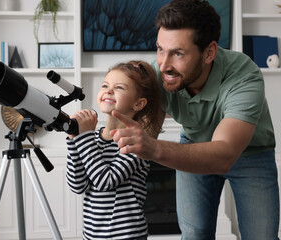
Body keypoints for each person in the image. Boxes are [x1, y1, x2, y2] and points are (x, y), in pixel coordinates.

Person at [110, 0, 280, 239]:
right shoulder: (159, 74)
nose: (164, 64)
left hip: (250, 154)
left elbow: (224, 154)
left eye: (178, 53)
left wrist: (154, 148)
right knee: (194, 233)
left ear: (209, 52)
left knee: (261, 236)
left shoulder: (244, 75)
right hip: (193, 143)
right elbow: (144, 130)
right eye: (160, 49)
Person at [66, 60, 165, 240]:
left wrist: (84, 138)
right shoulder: (92, 138)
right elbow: (78, 185)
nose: (109, 90)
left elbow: (105, 181)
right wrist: (74, 141)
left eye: (119, 87)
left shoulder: (136, 141)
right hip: (92, 235)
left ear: (138, 104)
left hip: (126, 235)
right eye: (105, 85)